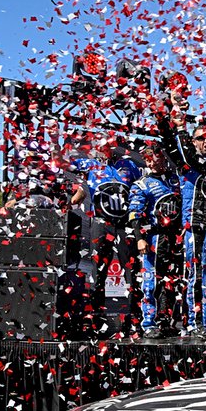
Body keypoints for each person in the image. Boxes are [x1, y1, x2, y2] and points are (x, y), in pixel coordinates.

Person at [159, 105, 206, 338]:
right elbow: (173, 148)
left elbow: (188, 154)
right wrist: (167, 118)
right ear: (193, 141)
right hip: (195, 225)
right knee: (197, 274)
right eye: (201, 139)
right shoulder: (187, 163)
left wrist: (180, 128)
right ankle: (196, 322)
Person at [68, 141, 142, 334]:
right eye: (102, 146)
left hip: (124, 224)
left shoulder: (130, 166)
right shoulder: (92, 165)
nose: (106, 150)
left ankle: (132, 318)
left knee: (130, 271)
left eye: (110, 146)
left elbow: (140, 189)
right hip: (101, 224)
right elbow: (64, 164)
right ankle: (94, 315)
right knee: (98, 270)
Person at [127, 145, 182, 338]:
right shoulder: (142, 184)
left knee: (172, 282)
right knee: (151, 281)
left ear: (163, 157)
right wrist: (140, 238)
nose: (150, 161)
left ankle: (165, 321)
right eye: (147, 158)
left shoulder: (177, 180)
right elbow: (134, 214)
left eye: (154, 157)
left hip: (176, 238)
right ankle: (148, 323)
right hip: (154, 238)